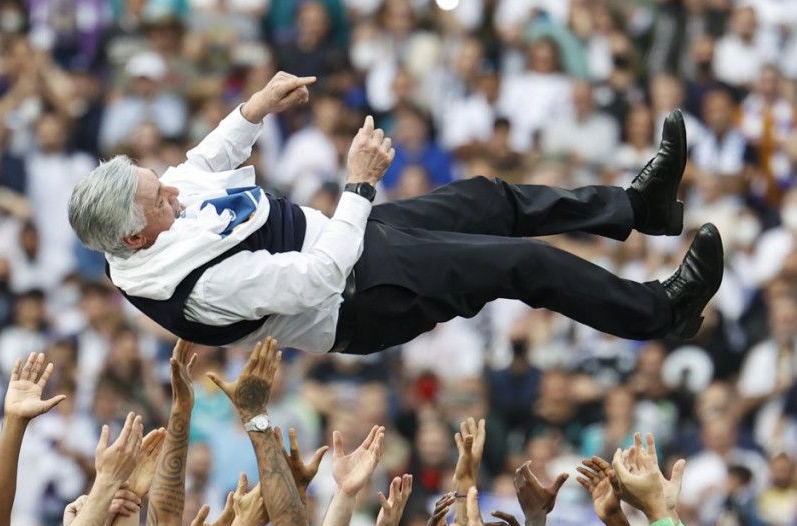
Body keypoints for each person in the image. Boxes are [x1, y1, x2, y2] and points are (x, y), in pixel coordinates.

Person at [68, 71, 724, 355]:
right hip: (360, 297)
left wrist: (255, 108)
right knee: (522, 264)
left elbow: (200, 164)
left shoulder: (153, 212)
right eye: (160, 200)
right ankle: (660, 311)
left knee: (490, 199)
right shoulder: (196, 287)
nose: (174, 193)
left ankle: (639, 207)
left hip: (351, 239)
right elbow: (317, 279)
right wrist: (358, 185)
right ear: (135, 235)